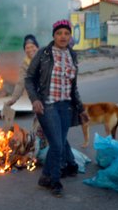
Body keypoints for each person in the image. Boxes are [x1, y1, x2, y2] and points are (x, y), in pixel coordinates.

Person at [25, 20, 88, 198]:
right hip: (48, 106)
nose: (63, 36)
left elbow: (73, 86)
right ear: (54, 35)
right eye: (59, 33)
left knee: (58, 143)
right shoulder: (43, 53)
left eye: (66, 34)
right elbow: (29, 78)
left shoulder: (72, 56)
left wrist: (81, 109)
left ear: (70, 37)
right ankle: (55, 181)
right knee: (57, 145)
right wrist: (35, 99)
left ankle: (45, 176)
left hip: (66, 107)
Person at [1, 34, 40, 128]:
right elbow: (20, 83)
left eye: (32, 46)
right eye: (27, 48)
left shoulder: (45, 58)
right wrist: (13, 99)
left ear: (37, 47)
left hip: (50, 98)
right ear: (25, 50)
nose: (30, 49)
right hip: (37, 99)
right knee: (40, 125)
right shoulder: (25, 64)